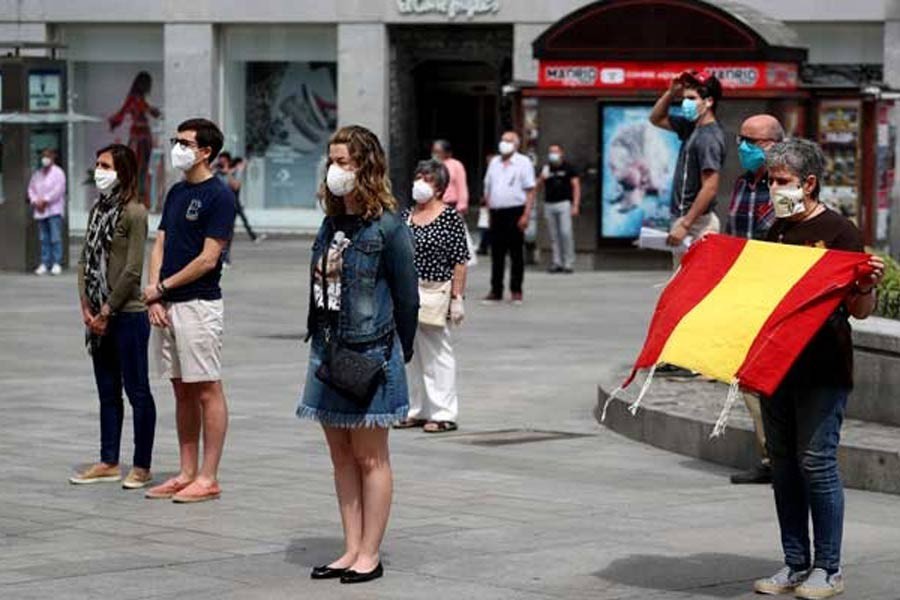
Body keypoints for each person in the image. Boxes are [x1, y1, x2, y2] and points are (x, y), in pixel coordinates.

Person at [752, 138, 884, 599]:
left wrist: (865, 285)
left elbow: (860, 309)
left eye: (782, 181)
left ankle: (829, 568)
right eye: (771, 181)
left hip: (822, 366)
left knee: (816, 463)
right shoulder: (773, 231)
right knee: (785, 465)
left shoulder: (840, 232)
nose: (773, 189)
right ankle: (795, 563)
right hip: (777, 366)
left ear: (808, 183)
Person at [298, 125, 418, 584]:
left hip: (371, 350)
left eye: (344, 162)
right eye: (332, 161)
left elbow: (407, 296)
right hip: (327, 349)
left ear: (366, 166)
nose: (335, 170)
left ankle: (371, 552)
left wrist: (400, 350)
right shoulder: (330, 223)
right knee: (341, 456)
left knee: (371, 456)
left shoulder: (387, 224)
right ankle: (349, 548)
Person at [142, 118, 236, 504]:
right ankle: (185, 471)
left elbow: (208, 258)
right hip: (167, 304)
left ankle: (208, 476)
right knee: (180, 389)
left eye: (184, 142)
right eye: (175, 140)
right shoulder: (177, 192)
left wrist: (163, 287)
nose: (177, 147)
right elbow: (160, 244)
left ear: (205, 151)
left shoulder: (220, 196)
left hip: (198, 304)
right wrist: (155, 296)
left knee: (206, 388)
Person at [69, 144, 156, 489]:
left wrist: (107, 310)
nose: (98, 170)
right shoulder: (97, 210)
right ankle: (108, 460)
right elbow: (83, 260)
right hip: (97, 314)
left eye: (105, 165)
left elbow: (133, 270)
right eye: (97, 163)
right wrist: (86, 306)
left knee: (137, 391)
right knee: (107, 391)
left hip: (127, 314)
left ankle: (142, 465)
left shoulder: (134, 213)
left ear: (123, 171)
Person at [726, 114, 785, 486]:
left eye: (753, 141)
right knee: (749, 379)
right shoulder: (743, 183)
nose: (744, 148)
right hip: (745, 292)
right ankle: (770, 455)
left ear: (775, 144)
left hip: (776, 295)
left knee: (772, 379)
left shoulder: (789, 187)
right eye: (741, 140)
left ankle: (780, 458)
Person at [396, 159, 468, 433]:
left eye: (427, 179)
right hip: (406, 292)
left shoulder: (449, 218)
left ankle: (443, 412)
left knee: (438, 353)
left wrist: (457, 298)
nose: (420, 183)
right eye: (418, 177)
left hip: (435, 290)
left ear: (439, 187)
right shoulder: (406, 216)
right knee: (410, 353)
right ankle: (416, 409)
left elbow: (460, 260)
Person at [648, 70, 725, 257]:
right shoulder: (691, 128)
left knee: (695, 283)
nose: (685, 103)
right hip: (688, 220)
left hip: (697, 224)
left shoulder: (709, 138)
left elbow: (710, 187)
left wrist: (685, 224)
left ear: (709, 102)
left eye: (691, 98)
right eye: (684, 98)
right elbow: (656, 118)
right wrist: (670, 93)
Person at [482, 131, 536, 304]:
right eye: (503, 140)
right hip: (497, 212)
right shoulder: (494, 163)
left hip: (515, 211)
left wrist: (526, 214)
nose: (504, 143)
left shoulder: (523, 162)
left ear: (516, 144)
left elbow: (530, 190)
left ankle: (516, 290)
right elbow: (488, 188)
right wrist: (489, 212)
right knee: (496, 253)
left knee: (515, 253)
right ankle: (496, 290)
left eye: (509, 141)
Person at [109, 71, 161, 210]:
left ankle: (138, 198)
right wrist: (113, 121)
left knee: (141, 169)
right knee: (136, 168)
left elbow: (147, 111)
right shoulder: (134, 99)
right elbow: (124, 112)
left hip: (143, 137)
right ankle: (134, 198)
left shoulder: (140, 99)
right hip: (138, 138)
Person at [536, 144, 580, 273]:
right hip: (549, 203)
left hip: (564, 203)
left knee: (566, 233)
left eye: (555, 152)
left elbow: (576, 186)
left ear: (561, 153)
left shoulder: (568, 167)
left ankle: (568, 262)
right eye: (551, 152)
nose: (553, 154)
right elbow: (537, 186)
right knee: (554, 235)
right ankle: (557, 262)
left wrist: (575, 205)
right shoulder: (546, 168)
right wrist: (541, 178)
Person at [216, 152, 263, 267]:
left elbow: (236, 186)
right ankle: (220, 257)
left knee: (228, 232)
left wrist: (228, 173)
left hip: (232, 204)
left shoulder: (234, 172)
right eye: (219, 161)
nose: (221, 163)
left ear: (227, 161)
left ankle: (225, 258)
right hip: (218, 206)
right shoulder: (216, 172)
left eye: (223, 161)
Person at [28, 148, 67, 276]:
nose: (45, 159)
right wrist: (35, 201)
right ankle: (45, 263)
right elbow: (31, 189)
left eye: (47, 156)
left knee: (55, 237)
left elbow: (58, 190)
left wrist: (45, 200)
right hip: (40, 210)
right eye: (43, 156)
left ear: (53, 157)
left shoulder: (59, 173)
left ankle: (56, 263)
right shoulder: (37, 174)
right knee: (43, 238)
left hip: (54, 210)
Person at [431, 139, 468, 215]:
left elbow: (461, 187)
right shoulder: (431, 165)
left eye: (438, 152)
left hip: (451, 204)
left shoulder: (456, 165)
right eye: (433, 151)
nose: (435, 154)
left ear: (446, 152)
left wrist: (461, 206)